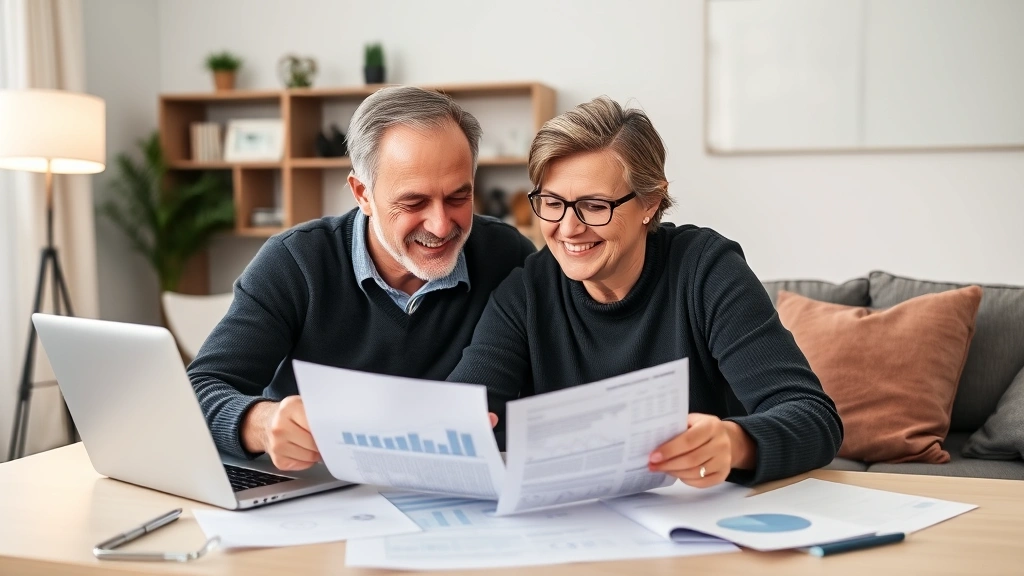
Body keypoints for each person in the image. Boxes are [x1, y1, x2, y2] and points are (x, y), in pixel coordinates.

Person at [448, 97, 842, 487]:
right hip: (577, 515)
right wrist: (456, 429)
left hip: (696, 513)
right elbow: (456, 414)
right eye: (552, 202)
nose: (568, 229)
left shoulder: (706, 271)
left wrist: (735, 442)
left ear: (650, 202)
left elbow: (813, 417)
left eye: (594, 206)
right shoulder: (526, 293)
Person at [190, 86, 535, 470]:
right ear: (362, 194)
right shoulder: (296, 262)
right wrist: (260, 423)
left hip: (460, 487)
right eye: (414, 202)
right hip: (322, 486)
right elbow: (199, 389)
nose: (440, 225)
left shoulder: (508, 256)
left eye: (458, 197)